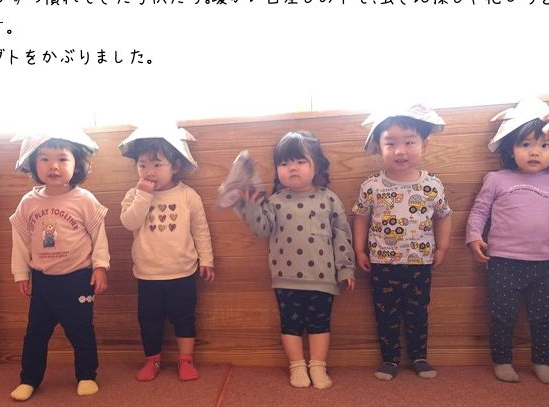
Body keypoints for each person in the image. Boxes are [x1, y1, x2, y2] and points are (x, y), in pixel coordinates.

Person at [466, 98, 549, 384]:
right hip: (503, 262)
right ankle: (502, 360)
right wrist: (474, 237)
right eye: (526, 144)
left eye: (545, 145)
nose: (535, 151)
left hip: (544, 263)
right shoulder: (497, 179)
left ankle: (542, 362)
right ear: (511, 148)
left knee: (544, 316)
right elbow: (480, 211)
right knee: (503, 315)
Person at [233, 131, 355, 389]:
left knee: (320, 325)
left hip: (323, 279)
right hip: (285, 279)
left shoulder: (328, 198)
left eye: (300, 161)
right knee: (290, 325)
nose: (292, 168)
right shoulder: (274, 202)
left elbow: (342, 234)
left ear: (316, 165)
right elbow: (261, 230)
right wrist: (251, 206)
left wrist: (346, 269)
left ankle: (318, 366)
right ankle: (297, 366)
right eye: (284, 163)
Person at [351, 105, 452, 380]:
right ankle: (390, 359)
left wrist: (442, 248)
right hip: (382, 262)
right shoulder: (372, 186)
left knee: (418, 311)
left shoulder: (432, 185)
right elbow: (360, 216)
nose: (400, 150)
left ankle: (419, 356)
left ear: (424, 144)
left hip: (420, 261)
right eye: (390, 143)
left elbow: (444, 216)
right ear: (379, 146)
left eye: (409, 142)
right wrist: (359, 249)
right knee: (386, 313)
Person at [9, 128, 110, 401]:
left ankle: (86, 375)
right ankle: (29, 379)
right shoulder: (28, 202)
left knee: (81, 331)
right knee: (35, 333)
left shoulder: (84, 199)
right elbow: (20, 241)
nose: (53, 166)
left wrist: (100, 266)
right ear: (33, 163)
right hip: (43, 281)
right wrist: (21, 273)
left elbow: (99, 235)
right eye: (44, 159)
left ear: (77, 164)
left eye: (62, 159)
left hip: (77, 279)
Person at [119, 125, 215, 381]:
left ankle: (186, 360)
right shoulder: (134, 195)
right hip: (148, 274)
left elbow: (200, 230)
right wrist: (143, 195)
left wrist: (206, 259)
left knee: (185, 318)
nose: (149, 171)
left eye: (157, 164)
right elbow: (129, 222)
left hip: (182, 272)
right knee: (149, 320)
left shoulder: (188, 195)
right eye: (142, 165)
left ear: (175, 166)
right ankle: (152, 360)